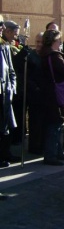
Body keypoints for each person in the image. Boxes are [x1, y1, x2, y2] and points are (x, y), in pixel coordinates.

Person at [40, 30, 64, 166]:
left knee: (55, 124)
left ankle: (57, 152)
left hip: (48, 93)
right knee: (55, 125)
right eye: (59, 41)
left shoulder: (43, 54)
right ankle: (51, 155)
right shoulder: (54, 56)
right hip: (55, 94)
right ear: (55, 42)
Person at [0, 19, 17, 168]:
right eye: (0, 26)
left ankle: (4, 154)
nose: (2, 29)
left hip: (5, 94)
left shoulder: (4, 47)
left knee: (5, 127)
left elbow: (11, 72)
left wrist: (12, 88)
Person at [26, 32, 46, 155]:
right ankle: (34, 147)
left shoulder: (46, 56)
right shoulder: (30, 56)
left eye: (41, 42)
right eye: (37, 42)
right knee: (34, 123)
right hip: (34, 94)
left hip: (45, 94)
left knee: (43, 123)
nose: (38, 44)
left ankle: (41, 146)